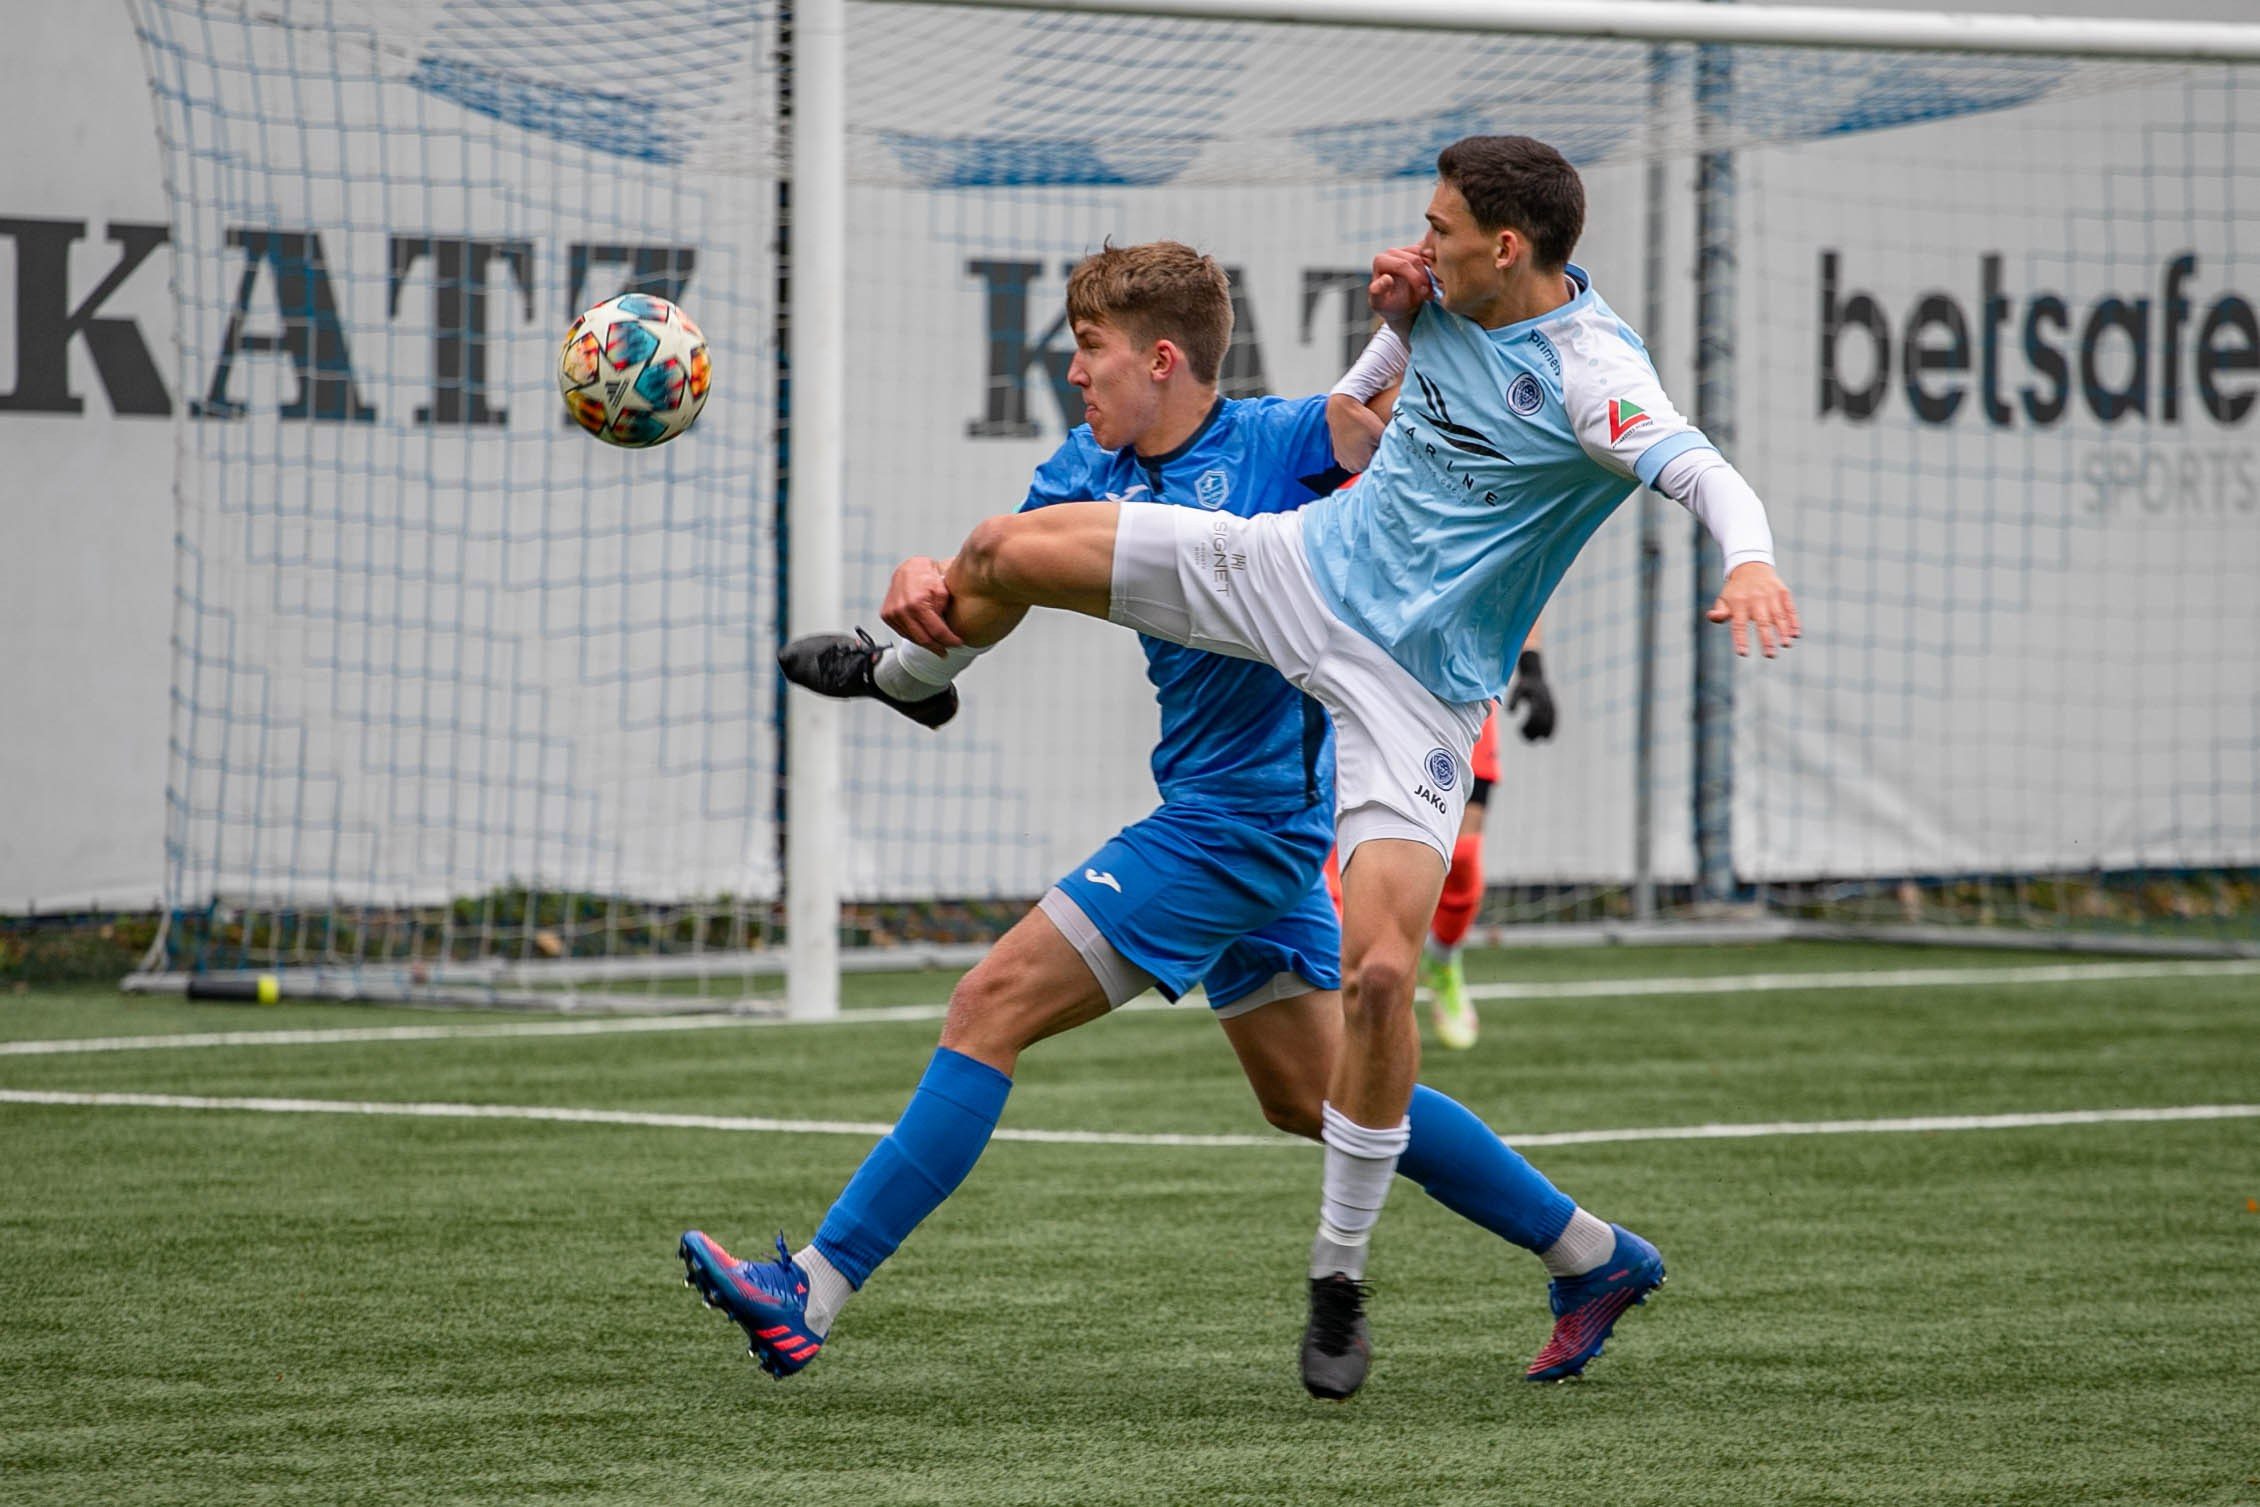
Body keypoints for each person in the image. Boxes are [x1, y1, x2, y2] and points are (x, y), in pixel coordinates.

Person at [777, 136, 1799, 1400]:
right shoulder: (1156, 438)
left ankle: (1327, 1276)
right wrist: (922, 604)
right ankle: (1590, 1253)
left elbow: (1697, 469)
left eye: (1439, 227)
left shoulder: (1550, 384)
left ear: (1508, 248)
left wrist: (1745, 559)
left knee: (1355, 977)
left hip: (1371, 726)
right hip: (1297, 577)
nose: (1416, 244)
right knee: (1305, 1094)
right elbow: (1017, 552)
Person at [1323, 356, 1559, 1051]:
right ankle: (1345, 1010)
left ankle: (1447, 963)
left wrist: (1534, 668)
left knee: (1460, 861)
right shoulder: (1341, 462)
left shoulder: (1470, 458)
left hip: (1455, 686)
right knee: (1346, 866)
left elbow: (1515, 574)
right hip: (1362, 689)